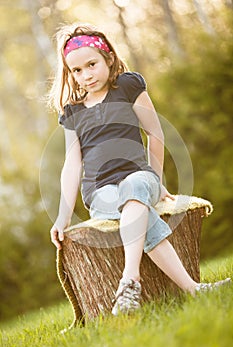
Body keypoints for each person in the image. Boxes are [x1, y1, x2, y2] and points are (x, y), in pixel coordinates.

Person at [48, 23, 231, 316]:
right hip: (99, 191)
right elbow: (73, 163)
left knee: (135, 190)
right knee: (137, 213)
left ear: (108, 58)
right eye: (77, 71)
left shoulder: (129, 86)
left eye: (91, 64)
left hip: (139, 176)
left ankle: (129, 278)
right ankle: (193, 289)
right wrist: (62, 215)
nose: (86, 75)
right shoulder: (73, 110)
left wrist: (156, 182)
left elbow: (155, 134)